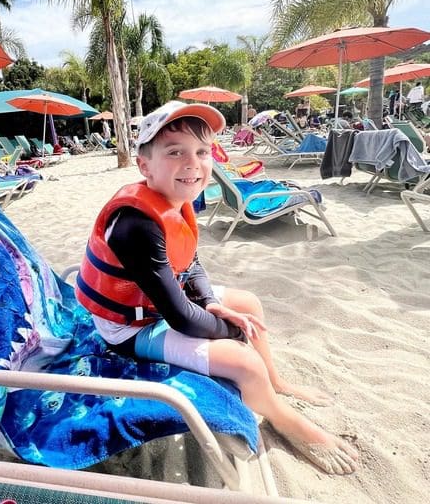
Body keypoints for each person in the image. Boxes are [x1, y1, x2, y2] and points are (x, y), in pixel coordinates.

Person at [75, 100, 358, 475]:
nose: (192, 163)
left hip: (158, 304)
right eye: (175, 152)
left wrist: (211, 302)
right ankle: (280, 416)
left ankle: (276, 383)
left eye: (202, 151)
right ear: (145, 166)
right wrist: (230, 330)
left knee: (250, 303)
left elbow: (189, 261)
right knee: (243, 359)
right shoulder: (136, 226)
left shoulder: (177, 199)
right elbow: (179, 317)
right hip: (129, 328)